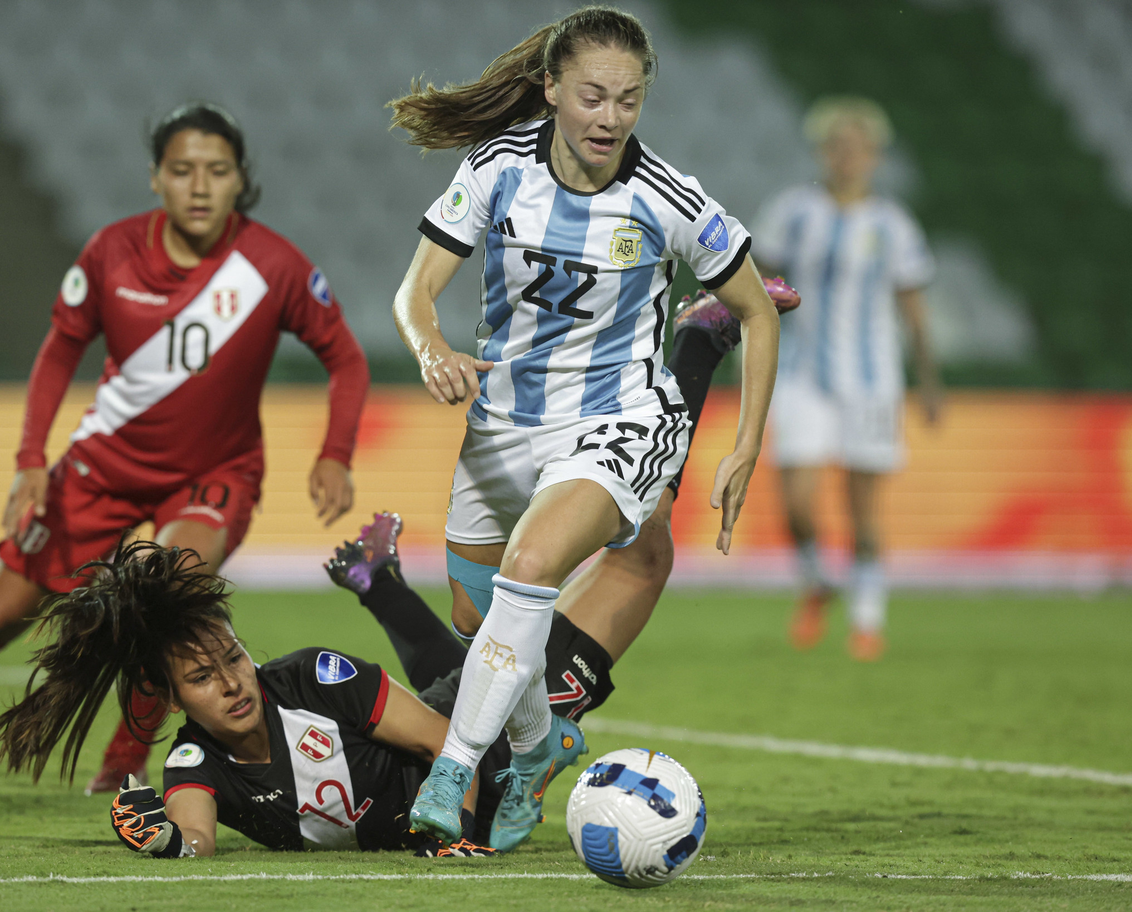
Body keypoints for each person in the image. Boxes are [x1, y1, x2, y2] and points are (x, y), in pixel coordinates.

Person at [387, 5, 780, 850]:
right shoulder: (496, 167)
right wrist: (431, 350)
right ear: (552, 89)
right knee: (475, 612)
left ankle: (452, 780)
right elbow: (414, 292)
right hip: (502, 424)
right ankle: (537, 746)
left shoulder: (668, 197)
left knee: (532, 567)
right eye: (594, 97)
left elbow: (758, 308)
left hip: (619, 421)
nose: (610, 118)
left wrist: (746, 445)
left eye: (629, 101)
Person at [0, 102, 370, 791]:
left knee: (173, 594)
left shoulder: (274, 266)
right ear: (155, 180)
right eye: (182, 171)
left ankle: (121, 763)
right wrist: (28, 463)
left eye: (217, 171)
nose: (199, 186)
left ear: (239, 180)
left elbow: (346, 358)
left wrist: (335, 452)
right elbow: (57, 355)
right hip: (101, 468)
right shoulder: (110, 253)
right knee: (7, 608)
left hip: (213, 473)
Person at [0, 540, 503, 857]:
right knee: (462, 671)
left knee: (520, 668)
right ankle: (379, 583)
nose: (230, 684)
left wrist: (455, 834)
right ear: (171, 699)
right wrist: (164, 840)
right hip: (453, 754)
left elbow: (447, 741)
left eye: (233, 659)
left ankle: (381, 586)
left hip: (490, 754)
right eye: (200, 677)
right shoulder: (194, 764)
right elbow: (195, 840)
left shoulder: (312, 678)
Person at [751, 96, 942, 661]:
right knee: (799, 501)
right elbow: (758, 283)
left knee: (865, 508)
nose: (848, 156)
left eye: (859, 147)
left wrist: (929, 379)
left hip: (872, 380)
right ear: (823, 151)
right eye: (838, 145)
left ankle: (867, 618)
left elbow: (912, 305)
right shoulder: (791, 211)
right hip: (803, 374)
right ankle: (816, 580)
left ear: (876, 156)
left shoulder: (893, 224)